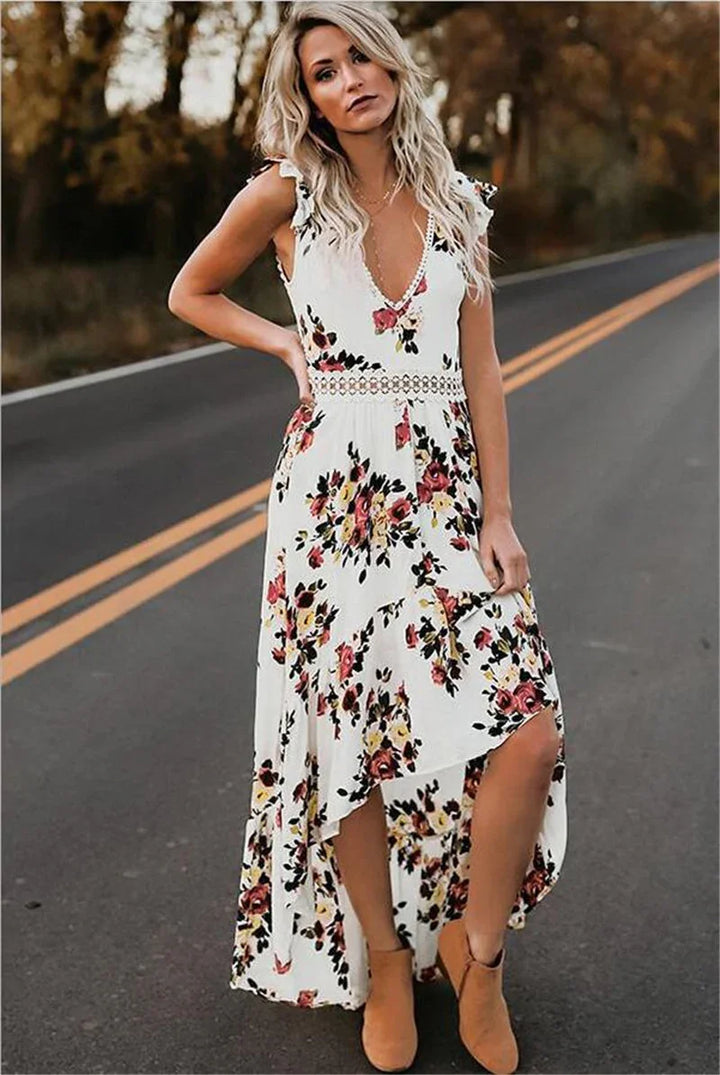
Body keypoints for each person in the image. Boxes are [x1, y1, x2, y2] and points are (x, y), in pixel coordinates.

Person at [168, 3, 568, 1072]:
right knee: (344, 745)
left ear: (393, 65)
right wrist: (283, 344)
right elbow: (191, 291)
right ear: (307, 95)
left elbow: (481, 372)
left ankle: (476, 959)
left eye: (359, 58)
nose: (349, 81)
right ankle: (383, 959)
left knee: (525, 731)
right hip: (329, 497)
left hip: (443, 493)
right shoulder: (288, 193)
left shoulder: (460, 203)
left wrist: (503, 515)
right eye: (324, 71)